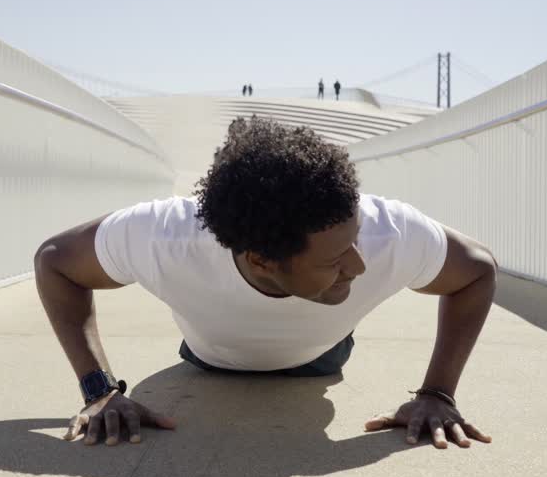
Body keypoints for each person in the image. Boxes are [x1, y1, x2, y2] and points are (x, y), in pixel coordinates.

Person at [34, 117, 497, 451]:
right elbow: (54, 261)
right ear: (261, 259)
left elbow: (477, 270)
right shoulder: (165, 237)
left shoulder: (387, 232)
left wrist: (438, 392)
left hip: (320, 358)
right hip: (207, 357)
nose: (359, 266)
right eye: (336, 259)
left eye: (355, 242)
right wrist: (99, 390)